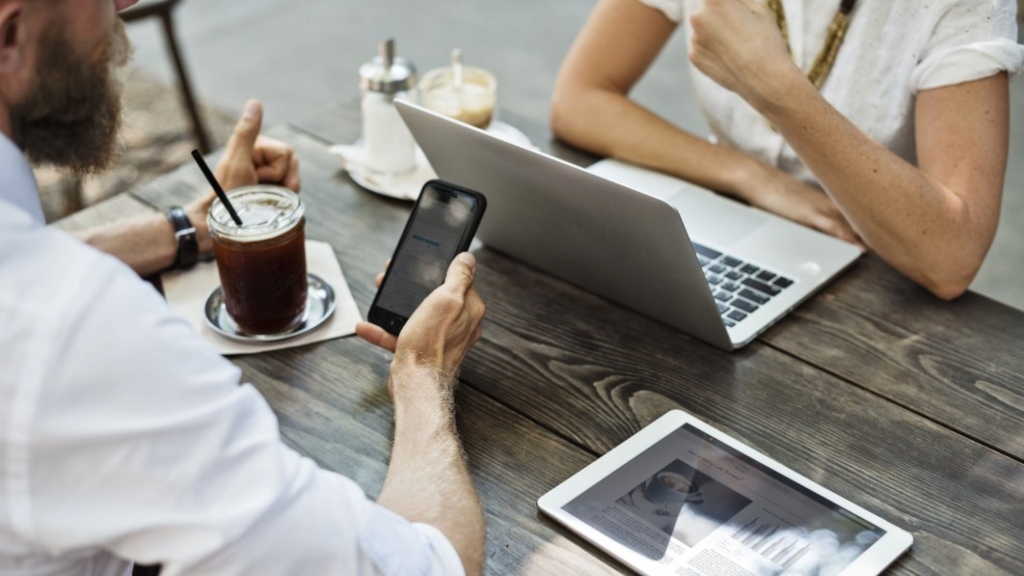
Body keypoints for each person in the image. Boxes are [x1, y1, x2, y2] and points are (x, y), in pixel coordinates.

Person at [0, 1, 486, 575]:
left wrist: (183, 229)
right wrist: (424, 371)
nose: (126, 3)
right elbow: (425, 567)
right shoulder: (77, 334)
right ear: (9, 31)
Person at [552, 0, 1023, 300]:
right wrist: (752, 176)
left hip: (877, 269)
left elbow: (950, 259)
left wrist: (777, 89)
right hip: (729, 228)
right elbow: (579, 99)